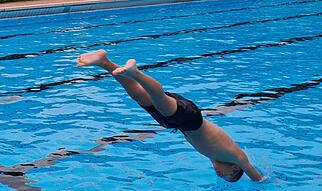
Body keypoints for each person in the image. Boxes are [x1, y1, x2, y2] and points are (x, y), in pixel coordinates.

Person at [76, 49, 264, 182]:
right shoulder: (236, 156)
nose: (221, 176)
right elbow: (256, 176)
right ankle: (135, 72)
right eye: (229, 176)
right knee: (159, 98)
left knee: (138, 96)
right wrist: (261, 180)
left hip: (179, 124)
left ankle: (104, 61)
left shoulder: (214, 157)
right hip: (191, 119)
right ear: (235, 168)